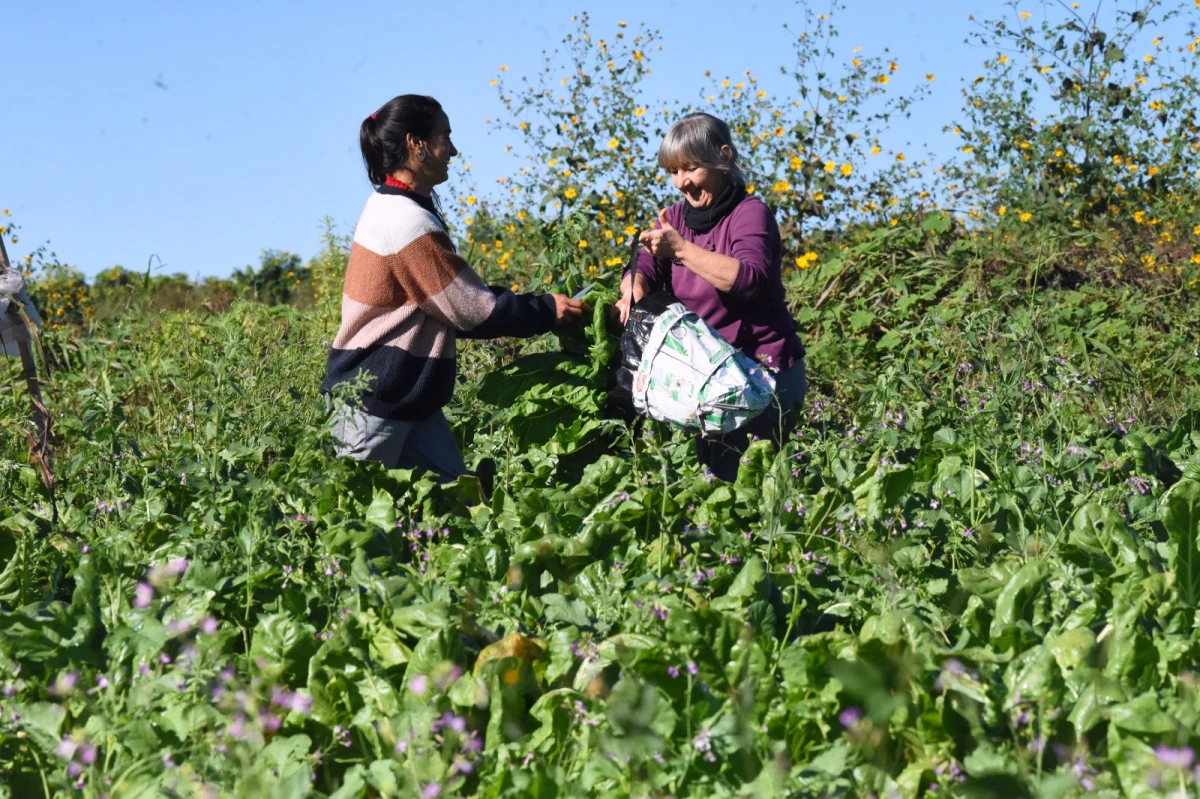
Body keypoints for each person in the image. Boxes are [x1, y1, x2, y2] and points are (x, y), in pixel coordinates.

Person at [320, 94, 582, 482]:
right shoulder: (406, 221)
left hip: (406, 398)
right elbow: (469, 309)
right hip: (372, 402)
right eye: (446, 136)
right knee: (354, 522)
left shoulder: (396, 207)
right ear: (416, 144)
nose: (454, 150)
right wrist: (546, 310)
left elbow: (450, 299)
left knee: (454, 512)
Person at [615, 112, 806, 482]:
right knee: (714, 490)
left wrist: (682, 250)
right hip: (707, 379)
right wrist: (631, 291)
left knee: (752, 490)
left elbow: (749, 279)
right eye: (673, 170)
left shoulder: (750, 214)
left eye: (691, 168)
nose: (681, 182)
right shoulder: (674, 218)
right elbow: (643, 267)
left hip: (763, 376)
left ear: (724, 158)